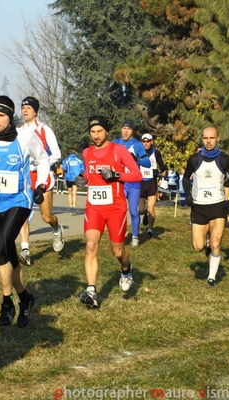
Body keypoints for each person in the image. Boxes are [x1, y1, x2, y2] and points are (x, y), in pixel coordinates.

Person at [0, 95, 49, 327]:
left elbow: (43, 160)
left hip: (19, 202)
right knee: (7, 254)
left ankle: (6, 303)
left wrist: (41, 185)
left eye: (1, 115)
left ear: (10, 117)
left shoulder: (25, 138)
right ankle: (25, 298)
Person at [79, 115, 142, 308]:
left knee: (117, 251)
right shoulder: (87, 152)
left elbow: (137, 174)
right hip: (94, 207)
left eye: (99, 131)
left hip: (115, 208)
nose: (96, 135)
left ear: (107, 131)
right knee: (91, 245)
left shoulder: (119, 151)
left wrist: (116, 175)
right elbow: (88, 173)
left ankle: (126, 269)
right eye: (92, 132)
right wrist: (81, 178)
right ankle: (91, 290)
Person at [183, 126, 229, 287]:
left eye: (211, 138)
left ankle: (211, 277)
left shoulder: (224, 159)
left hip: (218, 205)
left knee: (216, 244)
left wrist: (228, 183)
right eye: (205, 138)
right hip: (199, 206)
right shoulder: (194, 159)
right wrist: (188, 194)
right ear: (202, 139)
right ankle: (206, 245)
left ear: (218, 139)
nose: (208, 141)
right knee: (197, 246)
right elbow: (186, 178)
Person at [18, 96, 64, 266]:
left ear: (35, 111)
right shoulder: (19, 131)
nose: (25, 110)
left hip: (43, 178)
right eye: (23, 108)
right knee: (22, 214)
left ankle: (56, 229)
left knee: (46, 217)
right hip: (25, 178)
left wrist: (41, 162)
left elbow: (56, 154)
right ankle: (25, 250)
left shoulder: (45, 130)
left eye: (28, 108)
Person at [113, 119, 150, 248]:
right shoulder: (115, 143)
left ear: (132, 131)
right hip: (120, 183)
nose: (125, 131)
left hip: (133, 184)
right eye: (124, 128)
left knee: (133, 212)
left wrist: (136, 160)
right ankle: (122, 232)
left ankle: (135, 236)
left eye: (128, 129)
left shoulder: (137, 145)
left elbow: (148, 163)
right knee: (119, 211)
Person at [139, 133, 167, 238]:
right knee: (141, 210)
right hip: (141, 183)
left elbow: (162, 166)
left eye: (148, 141)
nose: (146, 143)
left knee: (151, 207)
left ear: (152, 142)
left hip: (152, 183)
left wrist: (161, 171)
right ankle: (145, 213)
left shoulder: (156, 153)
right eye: (144, 141)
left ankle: (150, 229)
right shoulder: (139, 153)